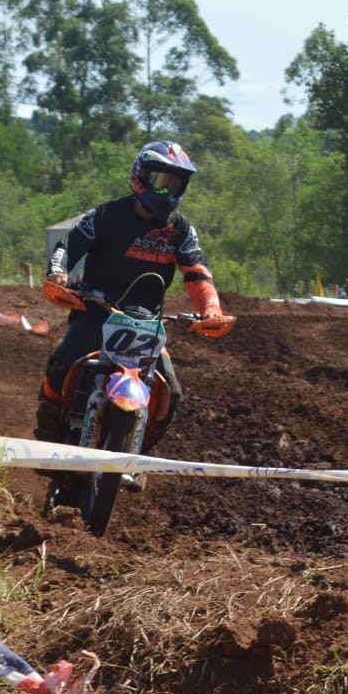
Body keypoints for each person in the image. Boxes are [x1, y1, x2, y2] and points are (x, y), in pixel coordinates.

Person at [35, 141, 234, 490]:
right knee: (62, 362)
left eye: (175, 184)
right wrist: (58, 273)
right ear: (139, 178)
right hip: (98, 310)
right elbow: (67, 247)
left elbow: (197, 273)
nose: (167, 190)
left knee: (171, 391)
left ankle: (138, 455)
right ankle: (48, 442)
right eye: (161, 180)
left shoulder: (181, 229)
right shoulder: (108, 215)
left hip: (146, 322)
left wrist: (211, 308)